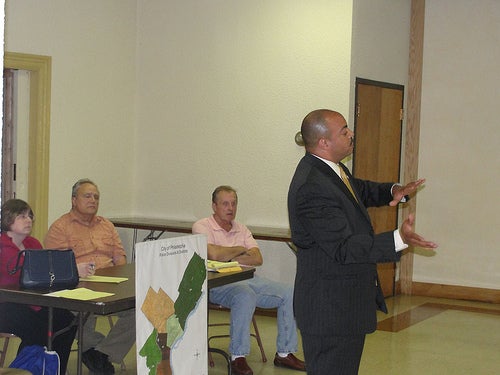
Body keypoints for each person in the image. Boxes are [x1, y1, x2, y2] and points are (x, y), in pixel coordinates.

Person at [287, 109, 438, 375]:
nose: (352, 134)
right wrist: (397, 239)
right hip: (329, 310)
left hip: (342, 305)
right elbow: (344, 248)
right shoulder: (312, 186)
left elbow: (358, 190)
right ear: (323, 142)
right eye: (344, 131)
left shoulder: (331, 169)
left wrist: (393, 191)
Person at [192, 185, 305, 375]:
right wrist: (240, 249)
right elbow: (214, 254)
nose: (230, 208)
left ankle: (284, 354)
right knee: (245, 295)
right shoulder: (202, 226)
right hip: (218, 282)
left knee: (289, 291)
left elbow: (257, 258)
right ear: (214, 206)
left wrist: (227, 254)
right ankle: (238, 357)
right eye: (225, 204)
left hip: (248, 277)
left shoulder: (242, 228)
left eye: (234, 204)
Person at [44, 179, 135, 375]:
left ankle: (102, 354)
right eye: (87, 196)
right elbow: (54, 267)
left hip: (111, 286)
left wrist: (123, 282)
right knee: (79, 315)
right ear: (73, 200)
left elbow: (120, 256)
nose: (93, 200)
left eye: (96, 197)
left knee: (140, 311)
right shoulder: (60, 227)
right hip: (78, 287)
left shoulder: (107, 225)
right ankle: (94, 352)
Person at [0, 199, 77, 374]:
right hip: (5, 305)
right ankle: (25, 370)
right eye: (22, 216)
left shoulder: (33, 244)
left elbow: (42, 275)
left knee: (67, 321)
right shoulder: (2, 247)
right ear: (7, 219)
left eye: (30, 216)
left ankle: (56, 370)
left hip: (32, 302)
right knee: (39, 329)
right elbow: (25, 274)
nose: (28, 220)